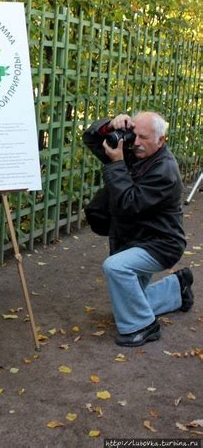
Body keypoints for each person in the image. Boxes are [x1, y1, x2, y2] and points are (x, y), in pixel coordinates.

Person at [83, 111, 194, 347]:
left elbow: (128, 203)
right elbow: (91, 139)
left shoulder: (165, 171)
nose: (137, 143)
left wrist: (117, 164)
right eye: (135, 135)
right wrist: (109, 126)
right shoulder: (136, 152)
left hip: (161, 244)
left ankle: (143, 326)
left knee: (115, 268)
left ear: (161, 140)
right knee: (128, 303)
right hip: (137, 239)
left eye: (144, 137)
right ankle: (177, 289)